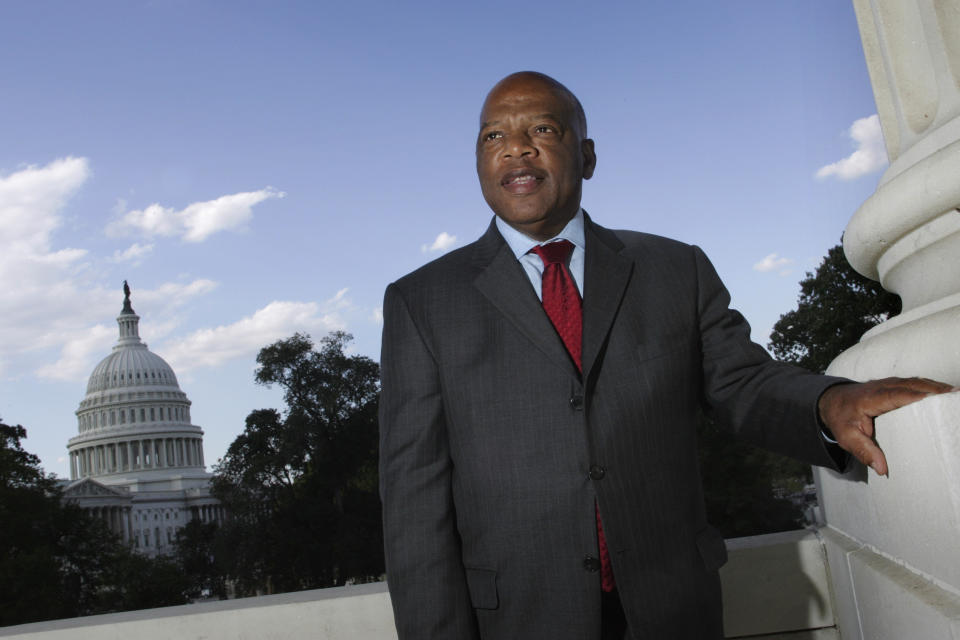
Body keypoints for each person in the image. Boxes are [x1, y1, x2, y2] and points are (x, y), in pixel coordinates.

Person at [378, 71, 952, 640]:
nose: (516, 147)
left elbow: (742, 383)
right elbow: (414, 500)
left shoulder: (676, 269)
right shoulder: (422, 302)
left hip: (673, 608)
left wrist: (827, 402)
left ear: (587, 155)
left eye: (543, 129)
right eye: (492, 136)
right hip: (518, 619)